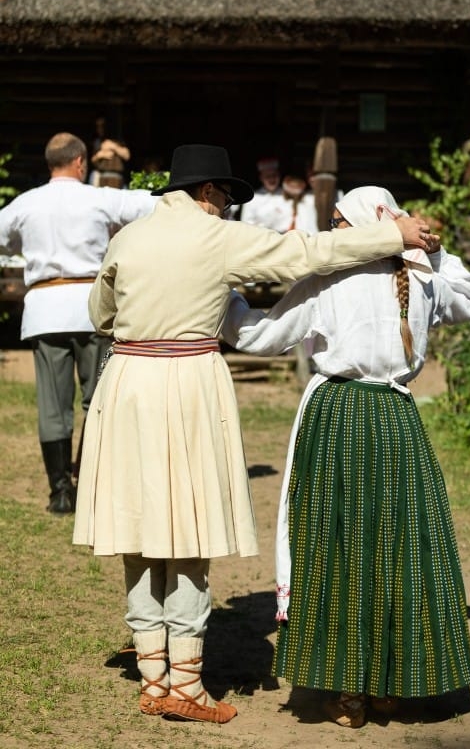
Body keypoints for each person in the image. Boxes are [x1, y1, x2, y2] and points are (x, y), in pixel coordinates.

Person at [72, 145, 434, 727]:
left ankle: (153, 674)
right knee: (188, 531)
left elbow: (101, 313)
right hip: (185, 380)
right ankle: (186, 685)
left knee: (137, 525)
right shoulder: (218, 238)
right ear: (210, 192)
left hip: (126, 383)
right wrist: (395, 236)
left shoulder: (129, 237)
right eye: (226, 198)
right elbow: (308, 252)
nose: (226, 208)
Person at [222, 185, 470, 728]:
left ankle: (348, 692)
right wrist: (431, 251)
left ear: (368, 225)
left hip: (338, 417)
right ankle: (392, 684)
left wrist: (220, 294)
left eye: (342, 222)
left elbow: (259, 336)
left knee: (336, 547)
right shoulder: (422, 277)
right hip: (395, 422)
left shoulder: (328, 279)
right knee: (396, 548)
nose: (338, 232)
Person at [0, 132, 155, 514]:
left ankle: (60, 492)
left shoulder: (26, 203)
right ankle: (90, 484)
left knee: (53, 407)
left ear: (49, 162)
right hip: (90, 307)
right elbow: (150, 206)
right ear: (81, 162)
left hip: (45, 310)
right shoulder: (98, 197)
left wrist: (27, 248)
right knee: (99, 400)